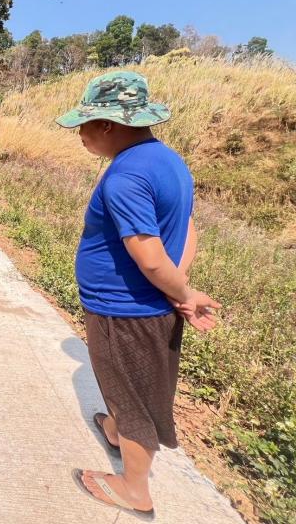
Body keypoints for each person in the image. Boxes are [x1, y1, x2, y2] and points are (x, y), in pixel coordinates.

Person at [56, 71, 221, 519]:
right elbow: (187, 228)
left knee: (133, 399)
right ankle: (115, 429)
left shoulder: (125, 177)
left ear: (108, 124)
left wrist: (184, 292)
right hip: (147, 306)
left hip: (124, 311)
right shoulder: (169, 161)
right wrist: (177, 288)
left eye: (84, 126)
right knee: (127, 384)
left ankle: (133, 489)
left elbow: (148, 257)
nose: (80, 135)